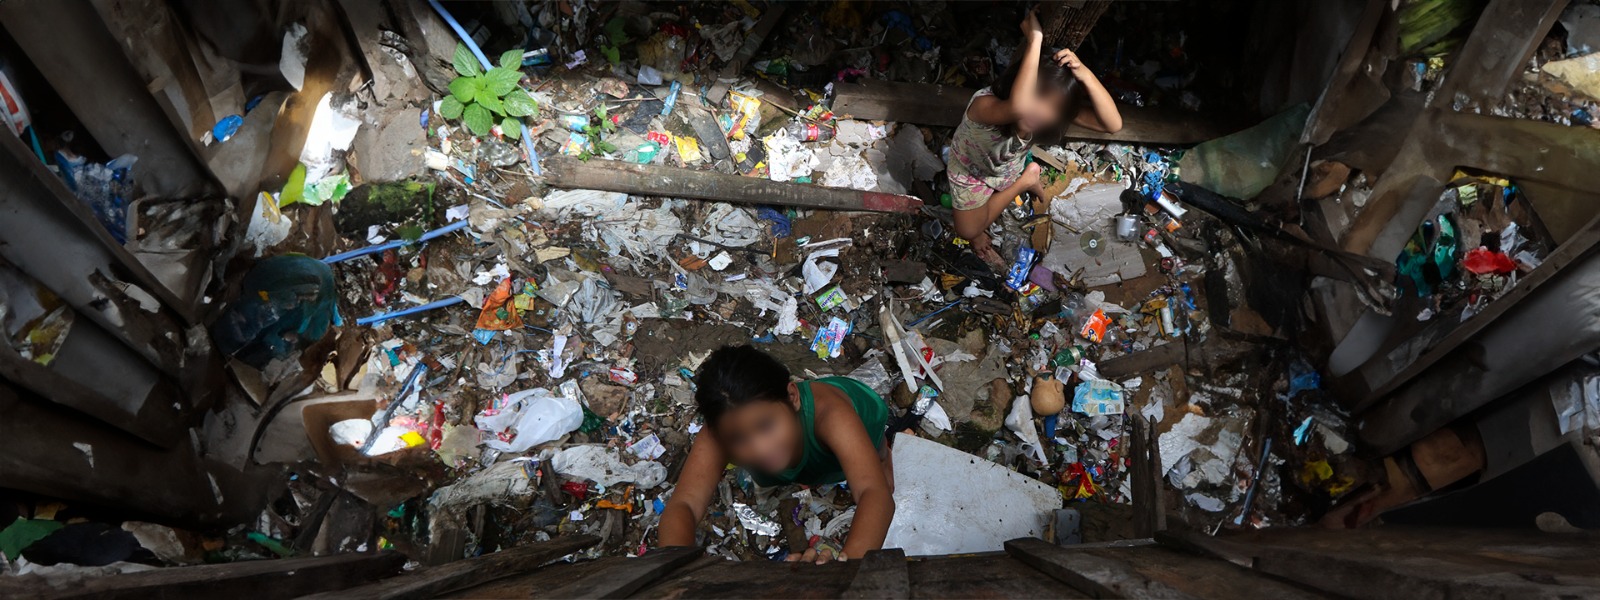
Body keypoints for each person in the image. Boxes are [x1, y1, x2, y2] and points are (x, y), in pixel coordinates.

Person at [657, 345, 894, 564]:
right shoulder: (721, 429)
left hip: (861, 415)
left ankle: (885, 459)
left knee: (875, 451)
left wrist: (845, 570)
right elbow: (684, 504)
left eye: (766, 425)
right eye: (739, 439)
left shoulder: (832, 416)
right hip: (811, 457)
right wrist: (675, 574)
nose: (760, 449)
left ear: (792, 397)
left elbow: (873, 493)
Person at [948, 8, 1123, 264]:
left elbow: (1112, 124)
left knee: (972, 224)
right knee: (967, 231)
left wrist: (1085, 73)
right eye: (1038, 95)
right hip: (969, 170)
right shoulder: (985, 106)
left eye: (1054, 108)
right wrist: (1035, 40)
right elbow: (1019, 105)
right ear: (1022, 84)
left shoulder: (1045, 115)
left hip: (1005, 169)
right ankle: (1026, 180)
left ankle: (1024, 178)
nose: (1042, 111)